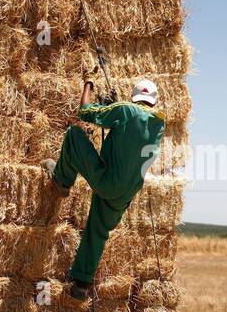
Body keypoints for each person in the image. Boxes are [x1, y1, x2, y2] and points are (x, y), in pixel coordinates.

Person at [42, 77, 165, 300]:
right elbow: (131, 134)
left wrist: (88, 85)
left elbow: (85, 111)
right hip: (126, 192)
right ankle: (81, 283)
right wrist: (114, 109)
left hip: (106, 179)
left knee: (74, 134)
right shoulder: (159, 123)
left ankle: (62, 180)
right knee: (98, 231)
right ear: (153, 102)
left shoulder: (125, 110)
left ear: (134, 97)